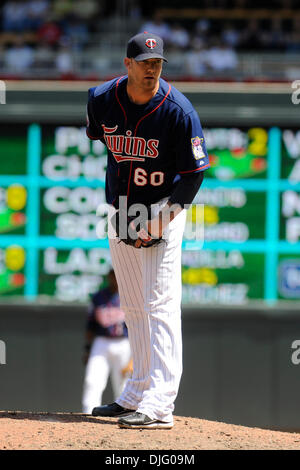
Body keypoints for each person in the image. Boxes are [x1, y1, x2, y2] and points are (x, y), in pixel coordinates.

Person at [86, 32, 210, 429]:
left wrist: (162, 216)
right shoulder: (102, 99)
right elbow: (101, 141)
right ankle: (136, 392)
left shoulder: (178, 110)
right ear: (127, 65)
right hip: (121, 209)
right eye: (144, 62)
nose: (152, 68)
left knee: (159, 303)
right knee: (134, 304)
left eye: (157, 63)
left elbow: (194, 174)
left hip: (164, 209)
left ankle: (160, 404)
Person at [82, 269, 132, 414]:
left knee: (123, 384)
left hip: (124, 343)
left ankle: (125, 414)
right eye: (112, 275)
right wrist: (87, 348)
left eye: (118, 275)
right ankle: (87, 413)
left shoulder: (129, 296)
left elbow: (137, 326)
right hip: (101, 342)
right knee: (92, 380)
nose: (115, 279)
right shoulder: (99, 297)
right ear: (109, 277)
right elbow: (90, 324)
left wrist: (134, 357)